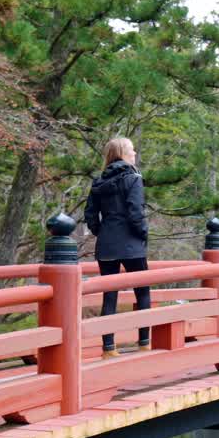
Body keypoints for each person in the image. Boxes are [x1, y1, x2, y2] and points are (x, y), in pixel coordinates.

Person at [84, 137, 151, 356]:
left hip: (107, 245)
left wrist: (101, 232)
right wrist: (143, 234)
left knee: (109, 295)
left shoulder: (98, 183)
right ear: (122, 153)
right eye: (132, 149)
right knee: (142, 292)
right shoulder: (133, 178)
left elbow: (91, 215)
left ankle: (108, 348)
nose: (135, 153)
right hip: (131, 243)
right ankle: (143, 343)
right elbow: (136, 212)